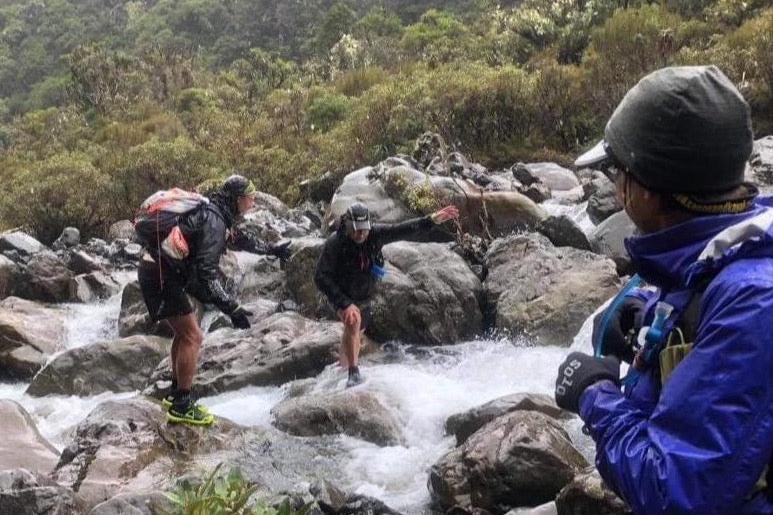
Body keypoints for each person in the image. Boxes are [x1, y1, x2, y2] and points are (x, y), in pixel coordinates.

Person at [554, 66, 772, 514]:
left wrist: (594, 395)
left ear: (648, 192)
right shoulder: (728, 252)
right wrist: (655, 318)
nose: (615, 188)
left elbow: (674, 492)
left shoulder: (754, 304)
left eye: (616, 172)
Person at [138, 174, 287, 425]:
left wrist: (271, 249)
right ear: (237, 200)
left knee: (183, 334)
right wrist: (232, 307)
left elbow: (238, 239)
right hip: (161, 275)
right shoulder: (214, 220)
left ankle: (174, 394)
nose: (252, 203)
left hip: (156, 269)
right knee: (193, 336)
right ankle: (182, 405)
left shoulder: (215, 214)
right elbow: (207, 273)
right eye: (250, 198)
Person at [315, 201, 459, 387]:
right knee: (353, 320)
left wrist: (431, 220)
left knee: (356, 332)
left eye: (365, 229)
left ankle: (342, 369)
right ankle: (353, 374)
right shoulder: (335, 243)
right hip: (341, 292)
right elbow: (320, 277)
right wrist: (344, 303)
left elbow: (402, 229)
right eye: (357, 230)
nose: (361, 234)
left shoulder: (375, 234)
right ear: (348, 226)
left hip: (365, 290)